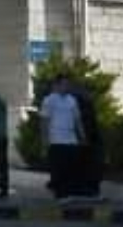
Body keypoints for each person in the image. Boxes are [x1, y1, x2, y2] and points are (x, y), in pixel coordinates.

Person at [38, 74, 84, 203]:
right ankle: (60, 194)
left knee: (70, 167)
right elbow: (44, 122)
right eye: (63, 84)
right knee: (59, 168)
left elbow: (77, 120)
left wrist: (82, 135)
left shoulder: (72, 100)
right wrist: (44, 142)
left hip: (71, 140)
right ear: (57, 85)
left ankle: (66, 192)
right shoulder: (49, 100)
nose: (66, 87)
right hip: (56, 140)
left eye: (68, 84)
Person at [70, 84, 105, 201]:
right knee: (90, 163)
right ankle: (89, 190)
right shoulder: (85, 104)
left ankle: (86, 189)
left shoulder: (81, 104)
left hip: (85, 139)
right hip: (87, 140)